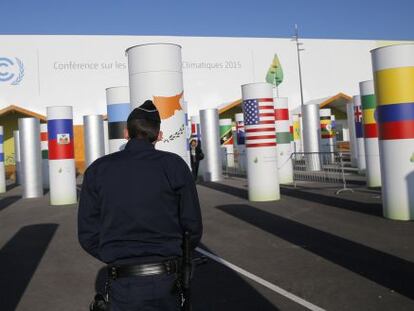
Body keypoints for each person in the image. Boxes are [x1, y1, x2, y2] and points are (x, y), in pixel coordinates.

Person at [78, 100, 203, 311]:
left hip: (122, 283)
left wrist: (116, 254)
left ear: (126, 132)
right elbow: (192, 227)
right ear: (159, 135)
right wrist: (175, 255)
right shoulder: (174, 166)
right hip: (168, 281)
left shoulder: (98, 169)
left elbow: (87, 233)